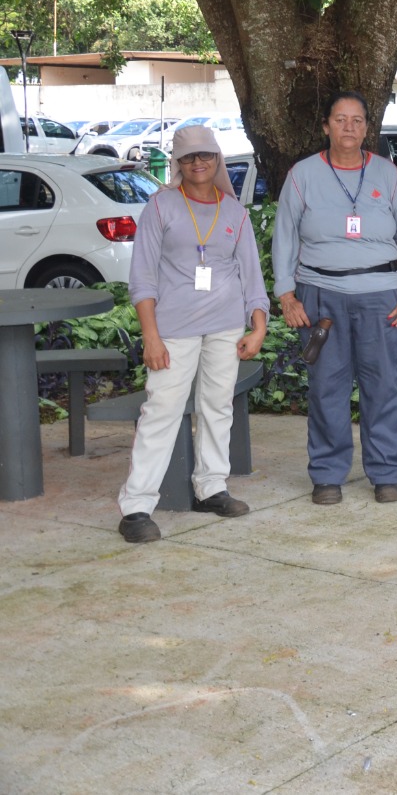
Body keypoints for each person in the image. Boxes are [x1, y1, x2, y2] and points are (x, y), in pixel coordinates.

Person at [116, 125, 269, 543]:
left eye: (205, 155)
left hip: (225, 326)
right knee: (161, 411)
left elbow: (251, 276)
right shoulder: (160, 207)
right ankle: (136, 507)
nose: (197, 163)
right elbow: (142, 278)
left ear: (217, 159)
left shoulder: (234, 212)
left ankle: (211, 488)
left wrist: (258, 324)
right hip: (174, 330)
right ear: (178, 163)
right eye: (187, 158)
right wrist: (151, 336)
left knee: (217, 407)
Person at [271, 92, 397, 505]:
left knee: (382, 386)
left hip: (382, 296)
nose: (349, 128)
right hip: (321, 296)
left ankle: (386, 473)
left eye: (357, 121)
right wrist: (286, 294)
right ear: (326, 126)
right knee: (327, 388)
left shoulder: (388, 174)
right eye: (341, 120)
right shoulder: (303, 175)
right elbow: (284, 236)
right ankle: (327, 474)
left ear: (366, 128)